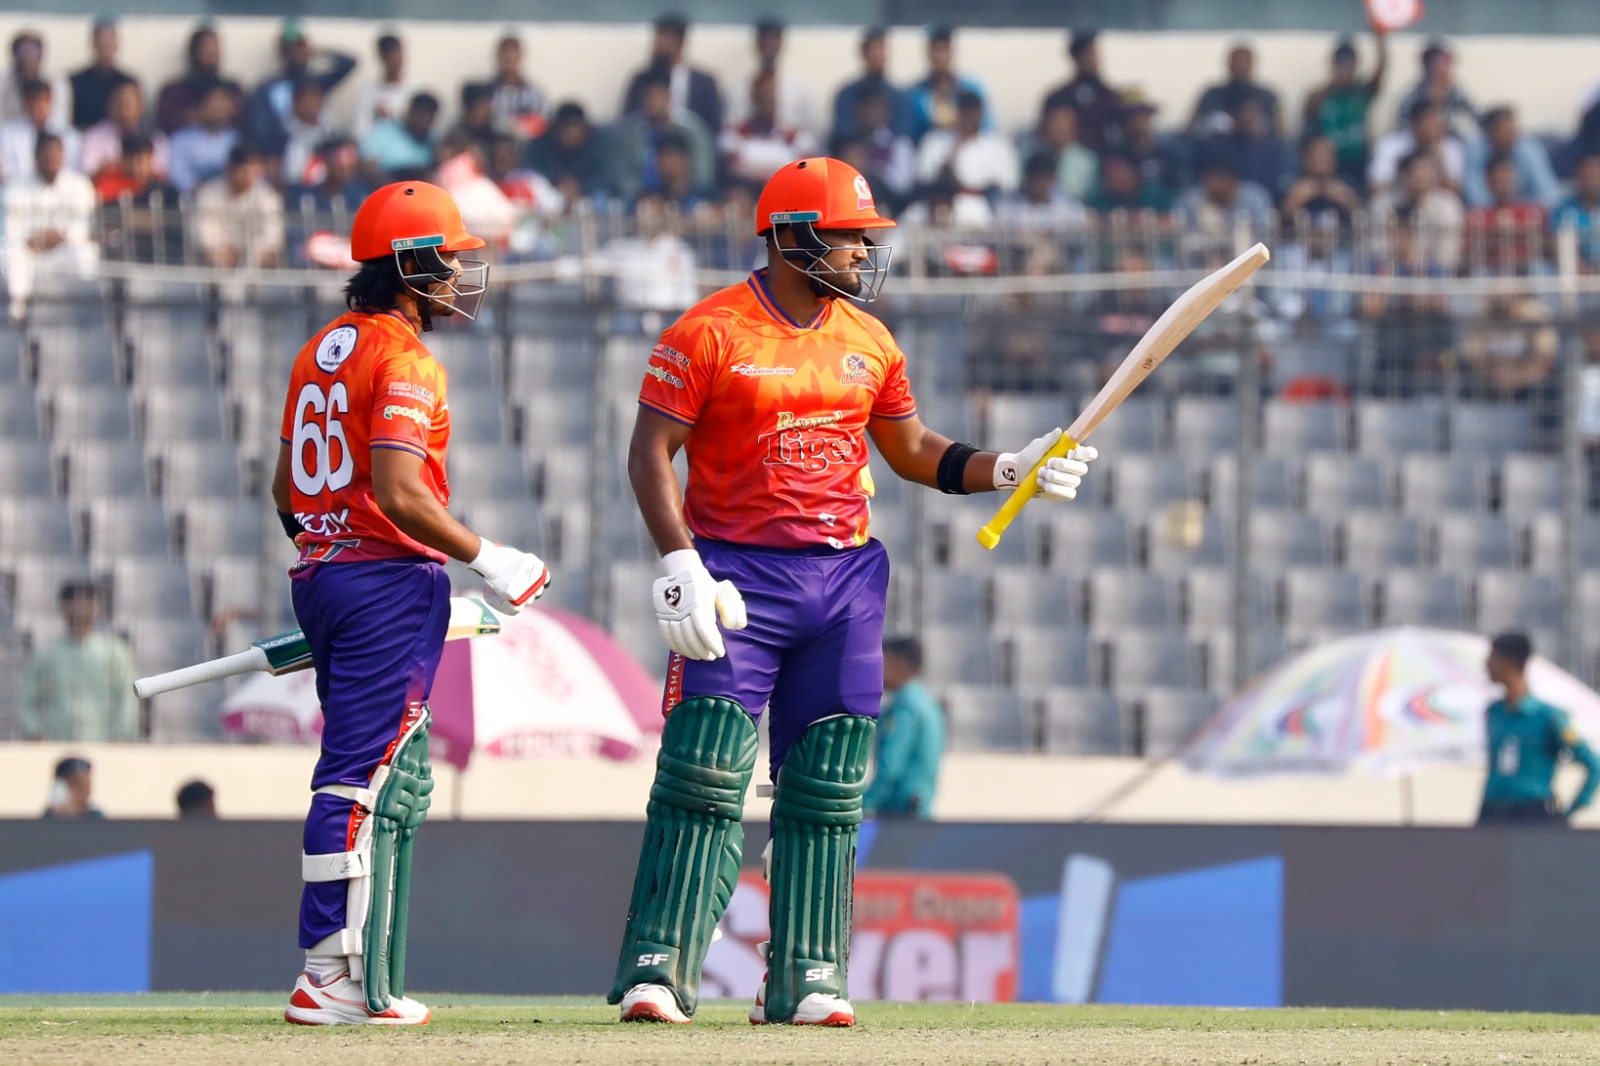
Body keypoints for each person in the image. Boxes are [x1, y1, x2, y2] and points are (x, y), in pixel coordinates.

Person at [607, 156, 1096, 1028]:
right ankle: (660, 967)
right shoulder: (707, 331)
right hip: (734, 575)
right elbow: (650, 453)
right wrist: (678, 560)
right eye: (851, 236)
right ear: (794, 239)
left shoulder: (869, 339)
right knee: (705, 770)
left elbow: (912, 453)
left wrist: (1010, 468)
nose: (865, 251)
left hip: (843, 579)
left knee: (827, 783)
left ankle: (806, 976)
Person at [271, 180, 551, 1025]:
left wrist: (329, 553)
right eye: (452, 257)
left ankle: (335, 971)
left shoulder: (324, 344)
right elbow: (398, 490)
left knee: (356, 771)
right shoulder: (405, 360)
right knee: (359, 778)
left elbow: (289, 489)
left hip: (327, 574)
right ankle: (330, 977)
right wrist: (493, 560)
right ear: (409, 265)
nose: (464, 272)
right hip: (383, 582)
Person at [1478, 633, 1600, 827]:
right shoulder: (1493, 713)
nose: (1486, 666)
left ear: (1511, 662)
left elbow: (1594, 765)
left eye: (1493, 658)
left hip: (1531, 816)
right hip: (1492, 813)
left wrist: (1569, 812)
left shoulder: (1549, 717)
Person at [18, 581, 136, 742]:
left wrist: (120, 735)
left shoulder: (114, 652)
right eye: (73, 607)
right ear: (63, 609)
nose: (80, 613)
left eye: (86, 606)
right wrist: (34, 731)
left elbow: (127, 697)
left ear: (95, 608)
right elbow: (26, 697)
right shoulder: (47, 653)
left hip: (102, 743)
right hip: (55, 744)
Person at [3, 132, 100, 322]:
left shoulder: (79, 185)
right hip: (30, 253)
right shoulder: (16, 187)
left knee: (86, 253)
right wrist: (35, 239)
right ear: (36, 155)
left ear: (63, 155)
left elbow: (85, 229)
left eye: (56, 152)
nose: (51, 158)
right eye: (46, 153)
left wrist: (61, 238)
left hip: (64, 251)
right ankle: (18, 313)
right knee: (10, 253)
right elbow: (11, 232)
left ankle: (84, 311)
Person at [248, 20, 355, 164]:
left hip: (319, 148)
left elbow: (350, 63)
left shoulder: (316, 81)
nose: (297, 53)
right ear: (282, 52)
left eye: (301, 47)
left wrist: (318, 51)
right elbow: (260, 130)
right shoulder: (268, 87)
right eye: (291, 48)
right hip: (281, 152)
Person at [864, 637, 945, 819]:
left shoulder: (905, 708)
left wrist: (864, 805)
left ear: (898, 665)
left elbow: (890, 767)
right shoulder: (926, 703)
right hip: (918, 811)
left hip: (898, 815)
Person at [610, 70, 715, 204]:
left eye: (657, 95)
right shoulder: (627, 132)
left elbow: (703, 177)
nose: (651, 101)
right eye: (647, 96)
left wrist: (676, 196)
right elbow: (621, 178)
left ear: (669, 97)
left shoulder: (694, 131)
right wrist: (645, 197)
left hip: (685, 199)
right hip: (640, 201)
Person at [1302, 32, 1388, 190]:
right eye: (1340, 65)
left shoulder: (1362, 92)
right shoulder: (1318, 96)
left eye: (1349, 66)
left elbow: (1382, 68)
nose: (1344, 71)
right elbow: (1307, 132)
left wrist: (1379, 37)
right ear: (1333, 65)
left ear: (1356, 67)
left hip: (1360, 162)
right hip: (1330, 167)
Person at [622, 14, 722, 137]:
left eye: (666, 38)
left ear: (681, 42)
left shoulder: (704, 82)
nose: (659, 44)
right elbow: (628, 120)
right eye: (657, 39)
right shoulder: (641, 79)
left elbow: (713, 125)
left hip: (691, 146)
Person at [722, 69, 819, 189]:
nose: (769, 100)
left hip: (787, 191)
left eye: (772, 94)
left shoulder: (798, 138)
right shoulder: (733, 137)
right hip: (748, 191)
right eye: (764, 95)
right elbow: (734, 171)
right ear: (754, 98)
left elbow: (806, 170)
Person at [192, 144, 284, 269]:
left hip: (258, 267)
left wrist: (249, 255)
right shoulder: (209, 195)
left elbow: (272, 238)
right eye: (246, 171)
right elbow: (203, 236)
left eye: (255, 172)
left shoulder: (267, 198)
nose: (250, 177)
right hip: (214, 266)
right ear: (231, 168)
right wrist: (224, 253)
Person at [726, 20, 816, 141]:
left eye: (774, 40)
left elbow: (810, 136)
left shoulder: (800, 91)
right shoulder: (737, 90)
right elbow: (731, 132)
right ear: (757, 44)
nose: (769, 45)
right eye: (765, 40)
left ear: (781, 44)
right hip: (750, 152)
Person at [1039, 30, 1121, 153]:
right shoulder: (1058, 97)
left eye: (1095, 53)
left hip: (1105, 162)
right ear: (1076, 57)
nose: (1095, 59)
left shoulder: (1109, 96)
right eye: (1089, 54)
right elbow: (1042, 135)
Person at [155, 24, 245, 135]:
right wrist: (203, 114)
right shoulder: (173, 91)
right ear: (193, 52)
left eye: (216, 49)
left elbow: (245, 123)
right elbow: (165, 124)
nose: (212, 54)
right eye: (207, 49)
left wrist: (227, 111)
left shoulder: (232, 89)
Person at [1463, 107, 1559, 211]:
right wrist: (1500, 209)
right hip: (1489, 211)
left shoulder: (1529, 148)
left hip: (1525, 209)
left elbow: (1546, 192)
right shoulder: (1476, 149)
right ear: (1490, 132)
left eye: (1513, 130)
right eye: (1505, 131)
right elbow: (1473, 194)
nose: (1511, 135)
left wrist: (1518, 209)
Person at [906, 26, 987, 145]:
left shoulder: (972, 89)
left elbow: (986, 128)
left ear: (952, 52)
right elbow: (912, 134)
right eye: (935, 50)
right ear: (928, 53)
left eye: (943, 50)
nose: (939, 56)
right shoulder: (915, 94)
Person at [1368, 100, 1465, 198]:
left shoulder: (1451, 147)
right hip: (1399, 200)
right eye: (1428, 124)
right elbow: (1376, 188)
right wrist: (1407, 179)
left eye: (1437, 124)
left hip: (1434, 202)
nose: (1433, 129)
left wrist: (1439, 163)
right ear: (1414, 124)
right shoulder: (1390, 146)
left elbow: (1456, 191)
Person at [831, 27, 910, 142]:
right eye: (873, 49)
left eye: (881, 48)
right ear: (864, 53)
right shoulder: (846, 94)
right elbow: (841, 133)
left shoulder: (898, 97)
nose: (877, 55)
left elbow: (904, 133)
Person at [80, 78, 167, 182]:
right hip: (108, 195)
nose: (125, 106)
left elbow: (162, 174)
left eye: (130, 101)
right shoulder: (94, 136)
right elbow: (87, 176)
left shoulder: (156, 137)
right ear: (109, 104)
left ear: (141, 104)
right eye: (120, 101)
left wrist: (119, 167)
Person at [1188, 41, 1281, 137]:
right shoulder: (1211, 95)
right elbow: (1191, 129)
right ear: (1228, 63)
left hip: (1259, 149)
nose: (1240, 66)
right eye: (1236, 61)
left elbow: (1280, 135)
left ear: (1252, 64)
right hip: (1216, 149)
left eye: (1245, 61)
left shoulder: (1267, 97)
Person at [524, 101, 609, 203]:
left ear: (585, 129)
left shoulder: (597, 143)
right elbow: (531, 174)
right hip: (551, 195)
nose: (571, 134)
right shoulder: (541, 144)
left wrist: (579, 186)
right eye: (566, 128)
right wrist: (556, 182)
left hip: (586, 196)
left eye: (575, 127)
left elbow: (605, 177)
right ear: (555, 129)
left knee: (601, 198)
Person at [166, 82, 240, 194]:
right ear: (200, 106)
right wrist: (200, 189)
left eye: (222, 103)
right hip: (190, 202)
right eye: (213, 103)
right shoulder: (181, 139)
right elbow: (178, 175)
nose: (217, 109)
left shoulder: (237, 141)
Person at [0, 78, 80, 182]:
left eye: (43, 100)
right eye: (33, 101)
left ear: (51, 101)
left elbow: (72, 172)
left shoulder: (69, 136)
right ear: (25, 104)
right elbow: (6, 172)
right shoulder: (6, 135)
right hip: (19, 191)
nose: (38, 106)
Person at [1396, 38, 1476, 138]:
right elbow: (1403, 130)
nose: (1446, 69)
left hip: (1453, 145)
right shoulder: (1411, 97)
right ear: (1426, 66)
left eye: (1448, 63)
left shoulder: (1457, 92)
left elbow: (1479, 117)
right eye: (1442, 63)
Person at [360, 91, 438, 183]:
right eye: (421, 114)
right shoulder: (386, 130)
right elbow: (367, 167)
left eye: (429, 117)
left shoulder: (432, 144)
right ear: (410, 111)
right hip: (383, 185)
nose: (424, 121)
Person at [351, 33, 413, 144]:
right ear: (381, 58)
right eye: (391, 57)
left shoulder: (414, 90)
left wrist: (395, 116)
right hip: (376, 154)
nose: (396, 61)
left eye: (399, 56)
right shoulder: (367, 93)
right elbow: (360, 132)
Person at [484, 32, 547, 139]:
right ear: (498, 56)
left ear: (520, 56)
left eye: (513, 52)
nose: (509, 57)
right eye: (505, 52)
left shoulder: (534, 93)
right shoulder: (486, 92)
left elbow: (542, 123)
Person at [1, 31, 68, 127]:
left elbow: (60, 121)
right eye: (23, 53)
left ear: (41, 55)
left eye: (32, 53)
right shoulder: (3, 84)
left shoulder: (57, 83)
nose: (28, 59)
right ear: (14, 55)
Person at [1551, 153, 1600, 270]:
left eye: (1596, 176)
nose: (1592, 182)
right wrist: (1588, 273)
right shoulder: (1563, 210)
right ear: (1577, 177)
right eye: (1588, 177)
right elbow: (1558, 248)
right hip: (1576, 276)